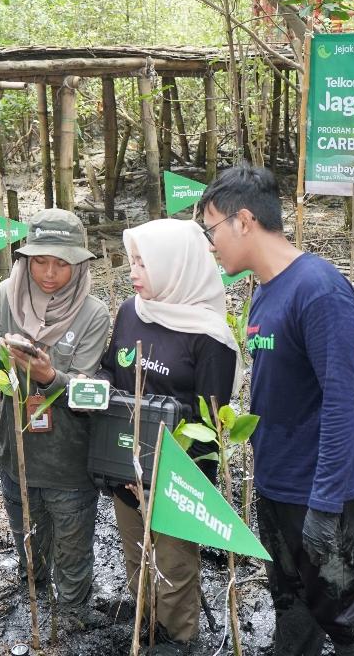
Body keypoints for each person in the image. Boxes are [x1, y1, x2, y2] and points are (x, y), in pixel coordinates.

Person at [198, 165, 354, 656]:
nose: (210, 243)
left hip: (315, 489)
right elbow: (297, 386)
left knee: (340, 609)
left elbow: (346, 396)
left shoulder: (318, 289)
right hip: (277, 479)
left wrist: (326, 504)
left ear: (243, 221)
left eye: (211, 228)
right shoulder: (263, 291)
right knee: (291, 597)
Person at [97, 218, 239, 655]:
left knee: (175, 569)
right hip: (124, 469)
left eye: (144, 263)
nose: (134, 272)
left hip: (176, 478)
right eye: (133, 262)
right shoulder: (129, 312)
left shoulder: (208, 336)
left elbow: (210, 425)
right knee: (137, 559)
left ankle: (177, 641)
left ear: (176, 266)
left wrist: (166, 481)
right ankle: (144, 631)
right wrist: (95, 384)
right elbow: (110, 367)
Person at [0, 209, 111, 627]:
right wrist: (4, 357)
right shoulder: (6, 294)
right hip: (16, 447)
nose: (50, 273)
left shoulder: (94, 314)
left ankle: (72, 618)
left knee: (72, 550)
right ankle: (34, 607)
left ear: (80, 263)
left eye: (62, 263)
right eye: (40, 261)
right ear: (25, 260)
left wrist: (50, 376)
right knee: (29, 543)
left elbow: (88, 389)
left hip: (69, 456)